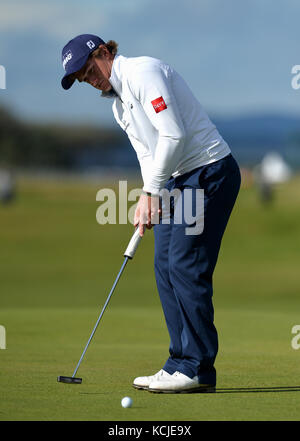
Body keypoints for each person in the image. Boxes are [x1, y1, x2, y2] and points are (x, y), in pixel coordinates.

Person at [60, 34, 241, 393]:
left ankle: (198, 368)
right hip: (177, 181)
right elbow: (148, 154)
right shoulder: (119, 105)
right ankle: (178, 362)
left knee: (185, 266)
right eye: (81, 77)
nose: (88, 78)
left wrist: (148, 192)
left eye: (88, 68)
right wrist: (152, 198)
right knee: (164, 265)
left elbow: (173, 136)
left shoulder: (143, 73)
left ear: (104, 52)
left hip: (208, 171)